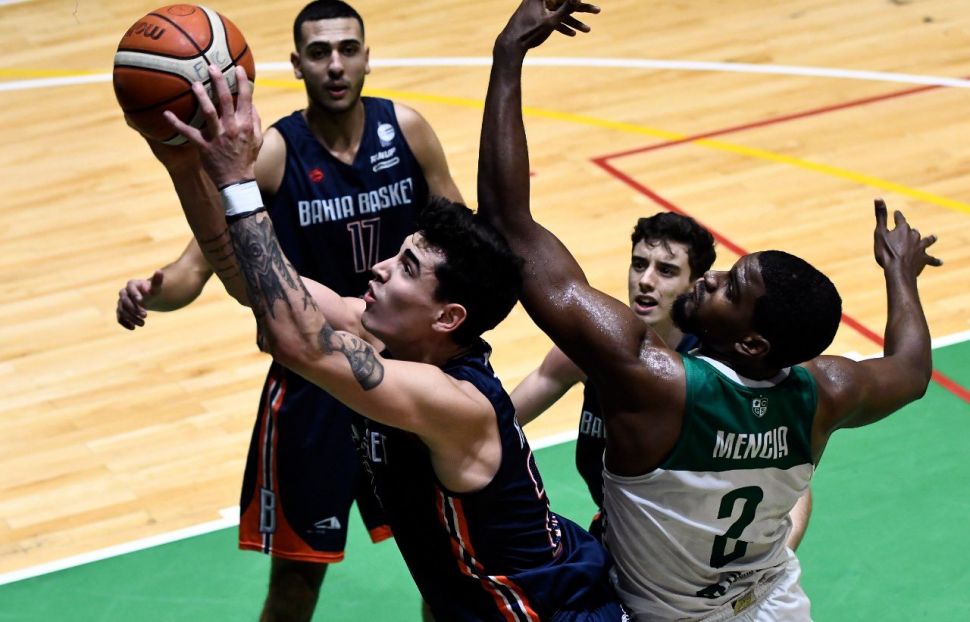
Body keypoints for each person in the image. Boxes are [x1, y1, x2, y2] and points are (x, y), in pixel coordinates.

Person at [477, 1, 941, 619]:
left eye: (731, 288)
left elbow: (509, 224)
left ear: (751, 344)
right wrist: (901, 277)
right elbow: (911, 371)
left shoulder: (654, 380)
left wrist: (508, 53)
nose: (714, 276)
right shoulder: (825, 392)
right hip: (773, 605)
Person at [161, 62, 628, 621]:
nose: (380, 267)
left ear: (447, 317)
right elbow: (251, 281)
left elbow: (296, 343)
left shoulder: (453, 401)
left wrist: (239, 183)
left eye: (406, 266)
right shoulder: (382, 339)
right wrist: (182, 163)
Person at [115, 2, 462, 620]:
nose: (336, 65)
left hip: (404, 376)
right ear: (297, 65)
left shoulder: (406, 130)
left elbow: (461, 240)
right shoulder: (271, 153)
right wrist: (153, 290)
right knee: (296, 587)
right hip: (315, 383)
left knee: (447, 572)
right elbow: (199, 267)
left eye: (348, 49)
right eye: (320, 53)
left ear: (367, 56)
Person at [510, 213, 813, 550]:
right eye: (639, 264)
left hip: (693, 556)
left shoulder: (716, 373)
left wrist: (777, 556)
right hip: (620, 535)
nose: (645, 280)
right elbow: (503, 419)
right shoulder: (590, 351)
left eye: (666, 271)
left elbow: (793, 480)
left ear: (695, 284)